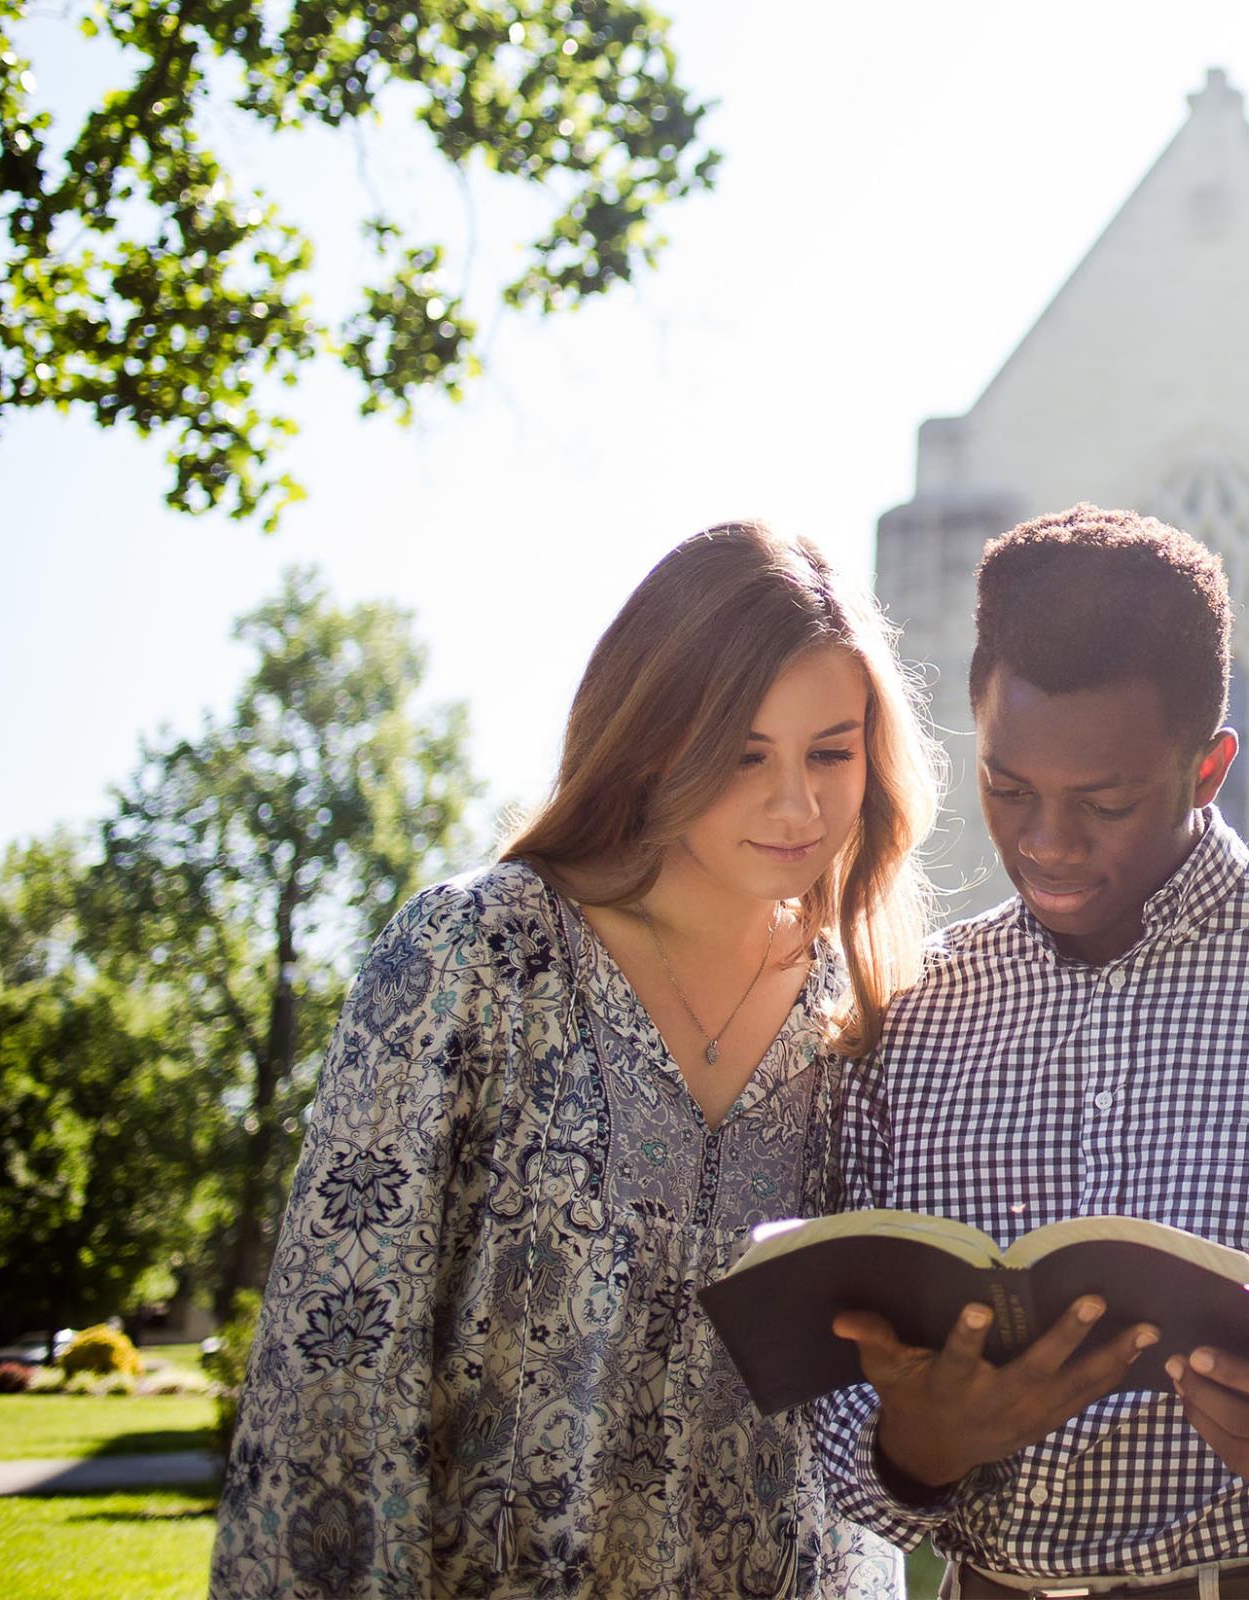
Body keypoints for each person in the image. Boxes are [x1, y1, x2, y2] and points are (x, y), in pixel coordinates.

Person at [210, 522, 937, 1599]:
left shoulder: (867, 1010)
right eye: (744, 754)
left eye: (830, 751)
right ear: (652, 741)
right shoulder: (476, 952)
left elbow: (867, 1413)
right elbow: (340, 1371)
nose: (798, 804)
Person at [816, 504, 1249, 1599]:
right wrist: (914, 1446)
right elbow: (843, 1390)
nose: (1046, 843)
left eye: (1106, 801)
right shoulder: (914, 1007)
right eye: (1006, 786)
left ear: (1208, 767)